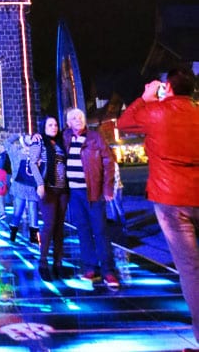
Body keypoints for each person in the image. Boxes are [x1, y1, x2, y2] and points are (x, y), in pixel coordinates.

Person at [118, 66, 199, 343]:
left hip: (171, 201)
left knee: (190, 269)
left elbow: (124, 123)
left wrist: (145, 96)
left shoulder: (157, 114)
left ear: (170, 88)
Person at [63, 107, 119, 288]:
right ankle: (90, 268)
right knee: (83, 231)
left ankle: (108, 271)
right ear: (68, 123)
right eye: (73, 118)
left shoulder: (95, 137)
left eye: (80, 116)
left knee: (101, 231)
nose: (78, 119)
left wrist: (108, 188)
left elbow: (108, 162)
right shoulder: (66, 138)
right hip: (75, 194)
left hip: (93, 191)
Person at [36, 117, 69, 281]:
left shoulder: (62, 142)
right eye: (50, 125)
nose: (54, 127)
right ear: (44, 127)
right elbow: (33, 163)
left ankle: (58, 263)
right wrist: (39, 183)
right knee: (49, 226)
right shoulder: (40, 141)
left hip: (63, 189)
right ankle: (43, 263)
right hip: (48, 189)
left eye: (56, 124)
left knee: (59, 228)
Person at [7, 132, 43, 243]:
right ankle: (16, 233)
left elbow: (6, 142)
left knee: (30, 210)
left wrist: (18, 136)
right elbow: (7, 143)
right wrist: (17, 136)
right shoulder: (18, 152)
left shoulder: (35, 152)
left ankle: (31, 236)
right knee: (21, 210)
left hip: (29, 185)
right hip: (22, 185)